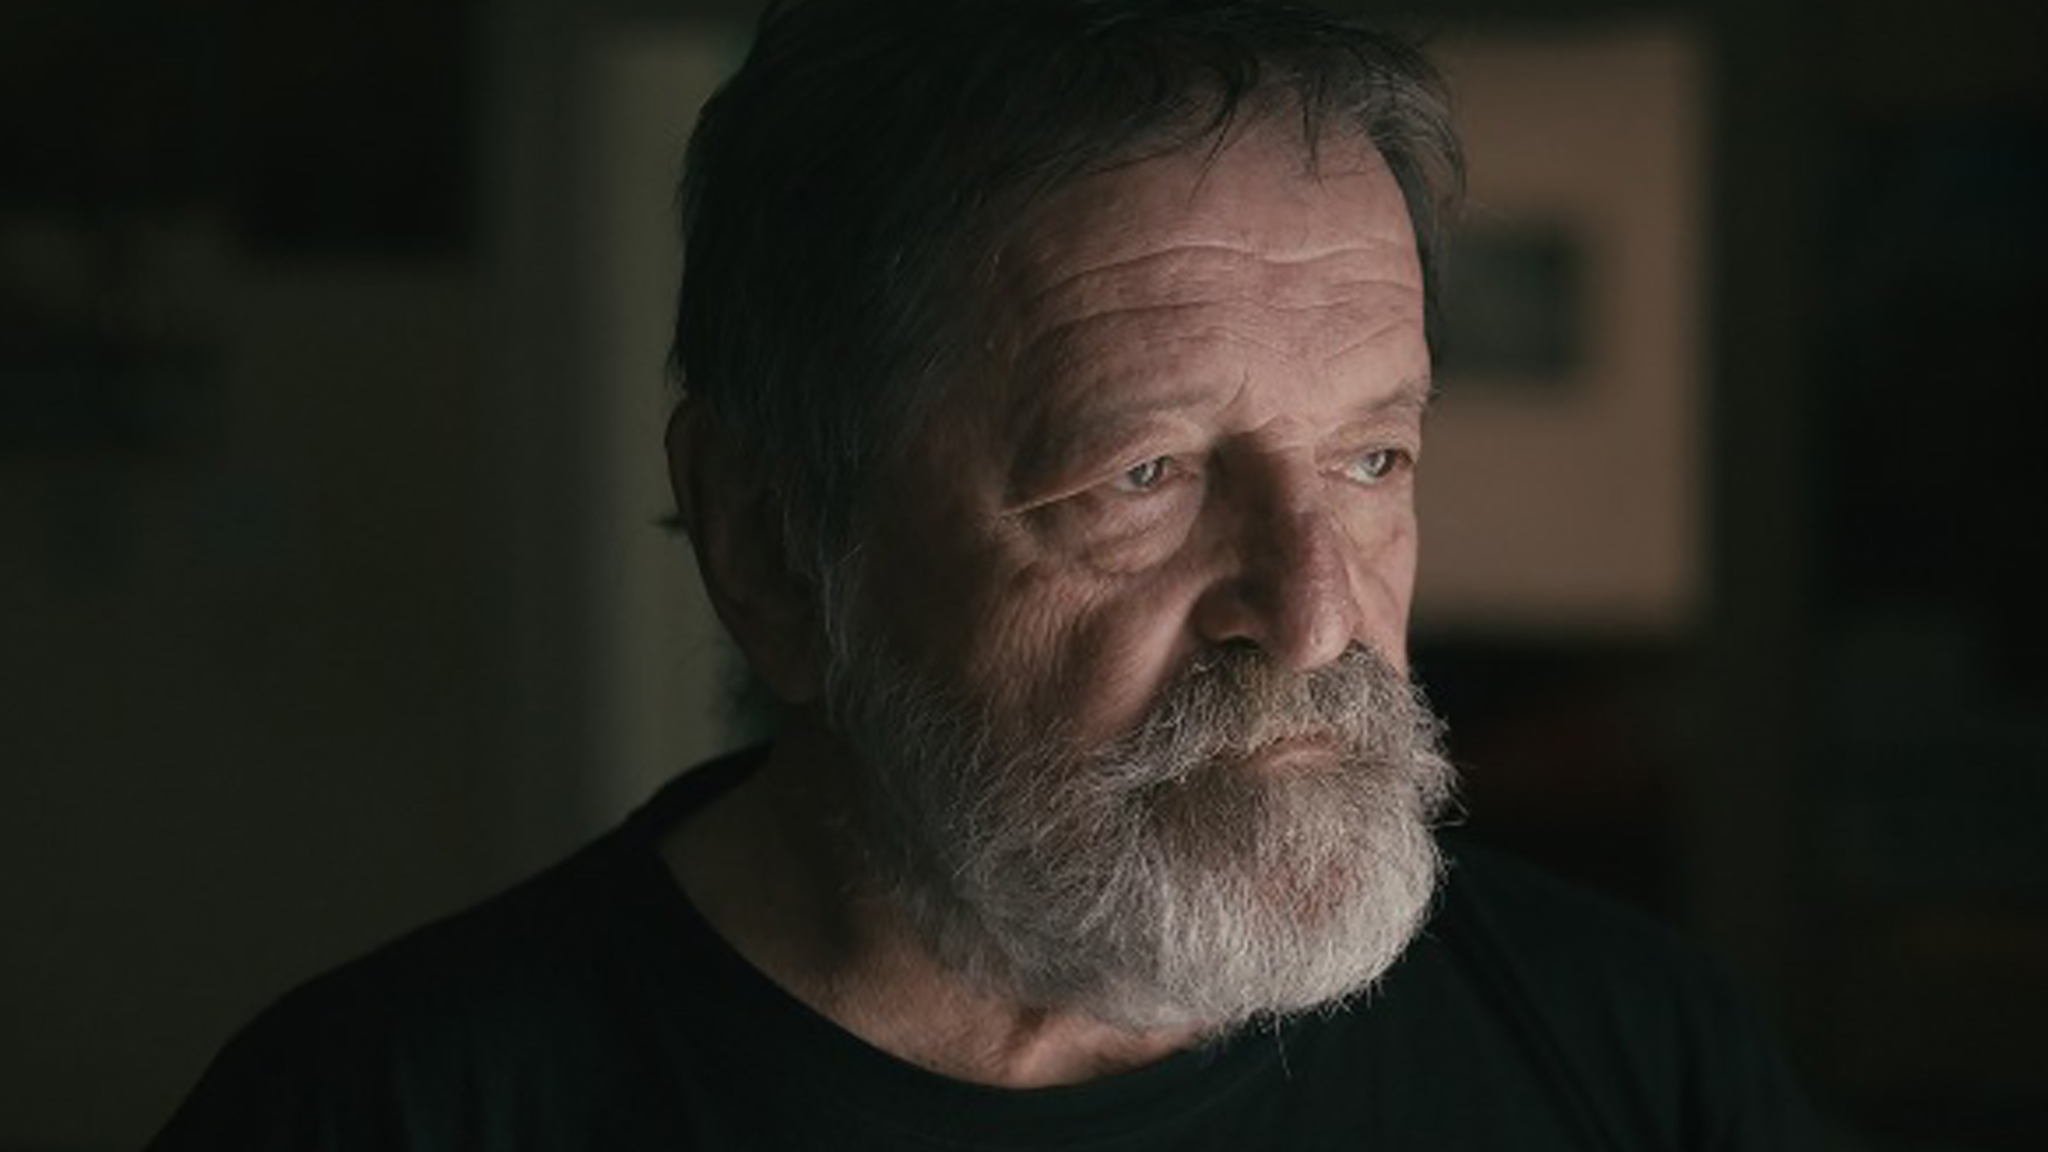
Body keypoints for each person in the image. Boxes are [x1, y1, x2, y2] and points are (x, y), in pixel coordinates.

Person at [149, 0, 1821, 1146]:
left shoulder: (1629, 1056)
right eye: (1144, 474)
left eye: (1372, 460)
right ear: (770, 543)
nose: (1319, 613)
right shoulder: (387, 1111)